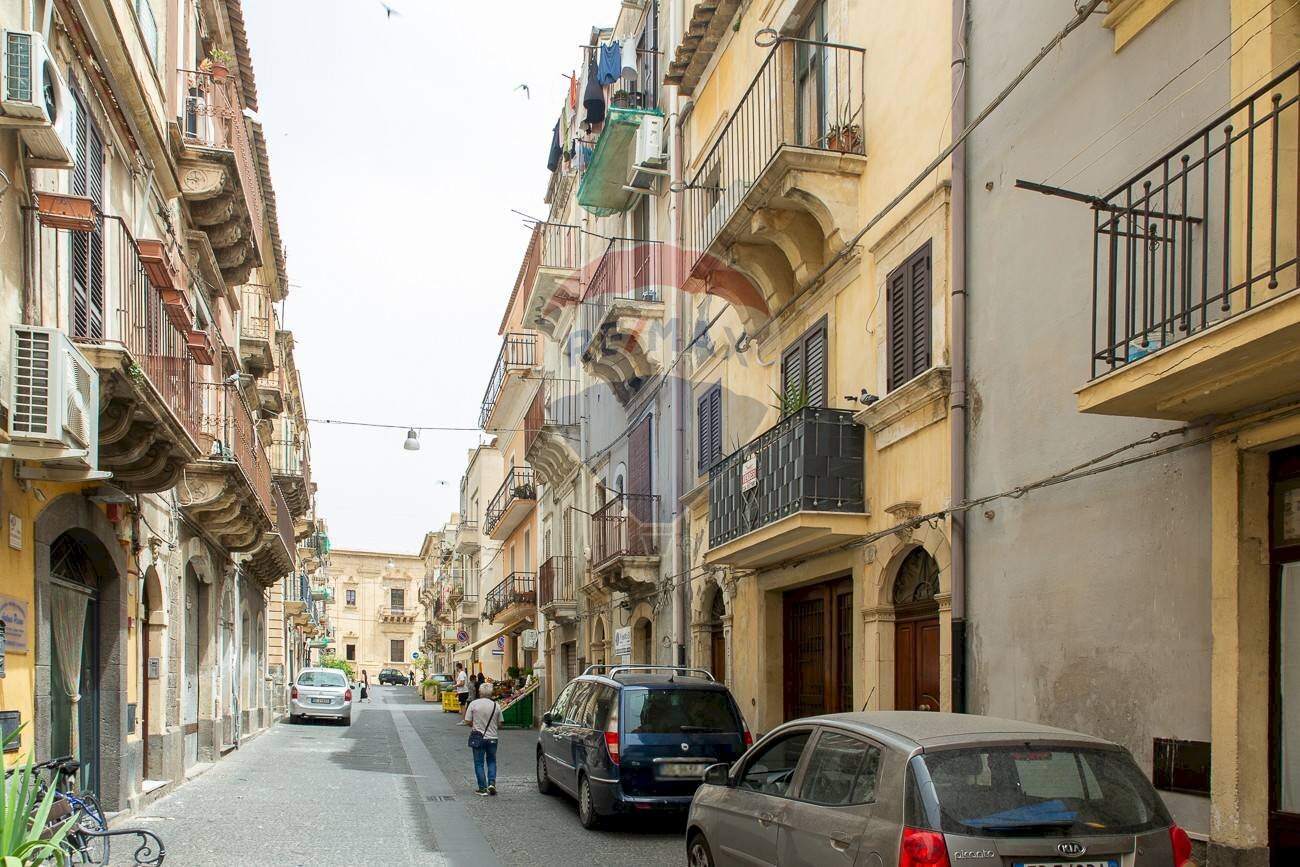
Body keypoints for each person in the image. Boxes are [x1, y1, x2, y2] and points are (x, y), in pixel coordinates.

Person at [464, 682, 500, 796]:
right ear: (491, 693)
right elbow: (501, 723)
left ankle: (482, 788)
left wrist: (475, 726)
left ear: (479, 692)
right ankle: (492, 783)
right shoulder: (496, 705)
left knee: (479, 763)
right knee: (492, 761)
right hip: (493, 737)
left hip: (478, 737)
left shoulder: (473, 704)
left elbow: (467, 720)